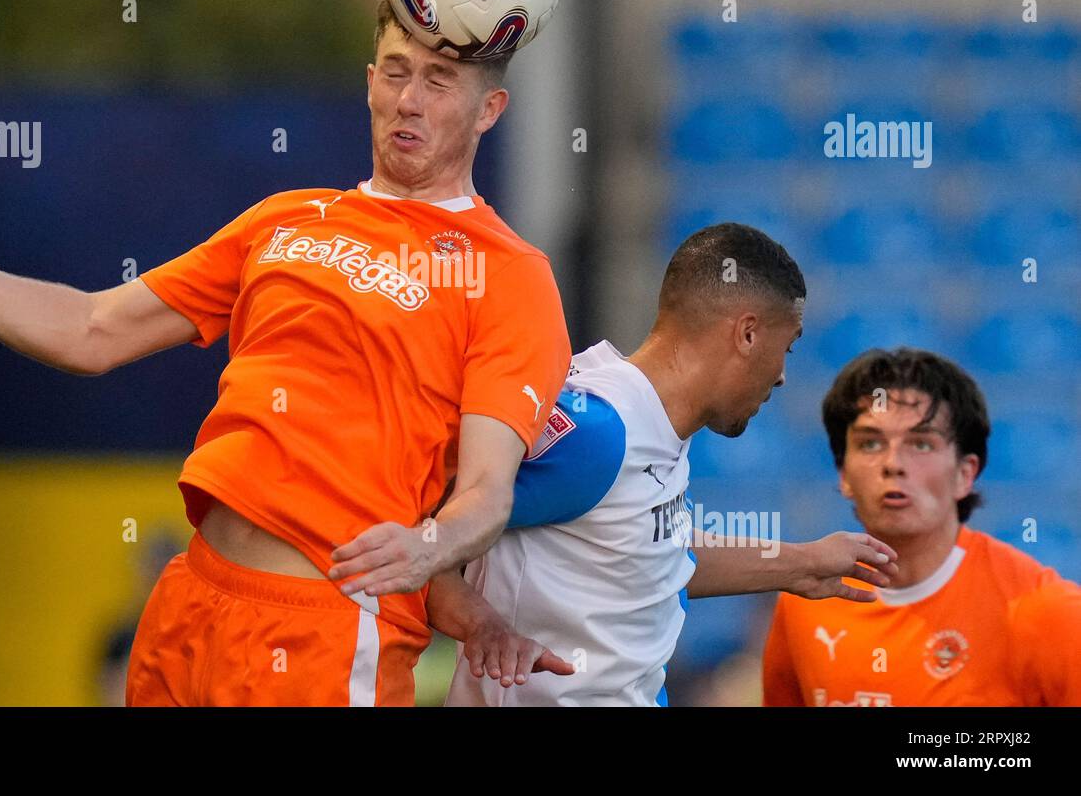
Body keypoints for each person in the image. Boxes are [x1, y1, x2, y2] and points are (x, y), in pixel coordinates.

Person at [0, 0, 571, 706]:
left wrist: (427, 547)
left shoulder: (507, 273)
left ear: (488, 111)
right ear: (369, 81)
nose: (409, 99)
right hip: (190, 600)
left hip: (324, 630)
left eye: (438, 81)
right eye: (394, 70)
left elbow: (486, 494)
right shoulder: (284, 219)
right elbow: (91, 330)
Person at [426, 223, 899, 705]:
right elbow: (420, 522)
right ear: (749, 333)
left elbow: (648, 555)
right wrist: (481, 624)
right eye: (788, 347)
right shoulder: (600, 432)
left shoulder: (651, 425)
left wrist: (803, 563)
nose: (781, 376)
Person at [762, 348, 1081, 706]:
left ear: (965, 474)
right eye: (870, 443)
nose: (893, 463)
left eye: (921, 443)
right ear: (844, 474)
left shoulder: (1047, 611)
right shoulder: (805, 600)